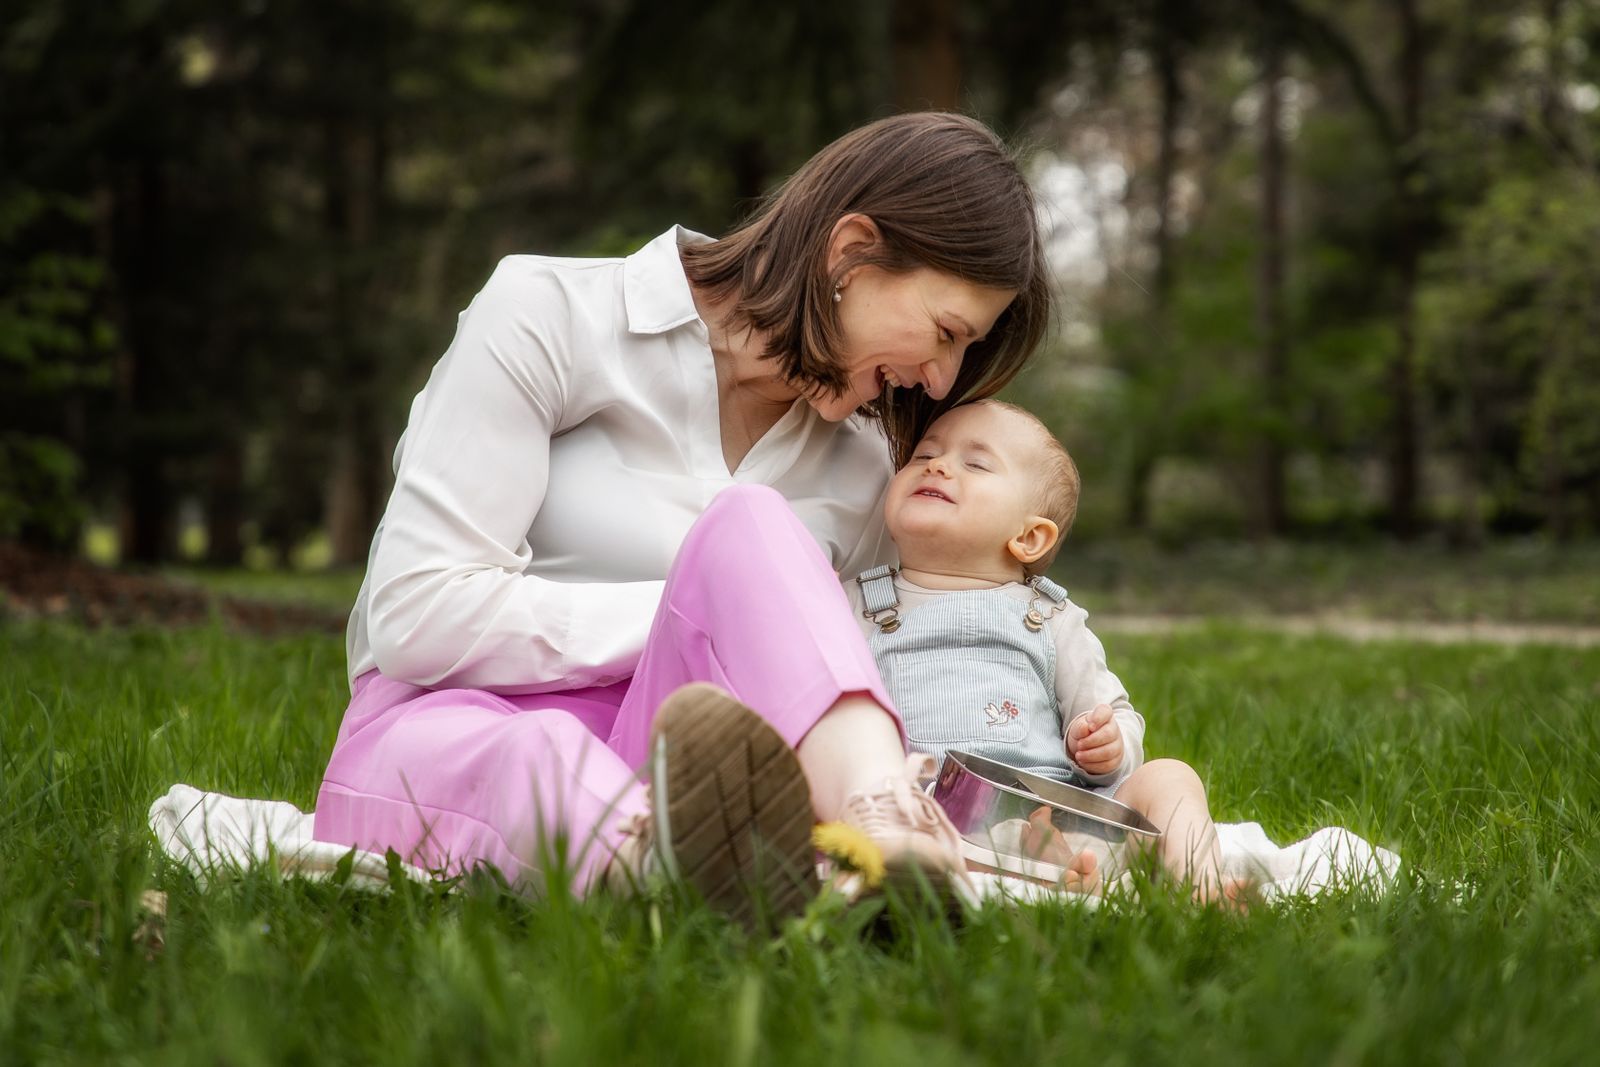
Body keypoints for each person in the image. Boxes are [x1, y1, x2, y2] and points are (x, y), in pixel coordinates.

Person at [310, 112, 1052, 924]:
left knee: (752, 526)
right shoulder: (549, 313)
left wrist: (1048, 801)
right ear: (850, 252)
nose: (942, 382)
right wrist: (707, 612)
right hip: (444, 737)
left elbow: (881, 671)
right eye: (946, 333)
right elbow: (419, 614)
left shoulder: (863, 464)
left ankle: (884, 832)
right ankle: (684, 869)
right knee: (539, 755)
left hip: (683, 761)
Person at [842, 399, 1242, 902]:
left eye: (976, 463)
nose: (938, 466)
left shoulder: (1051, 618)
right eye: (924, 456)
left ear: (1029, 537)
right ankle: (1067, 879)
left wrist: (1107, 747)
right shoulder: (858, 603)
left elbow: (1112, 712)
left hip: (1051, 810)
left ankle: (1201, 887)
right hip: (927, 812)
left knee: (1170, 776)